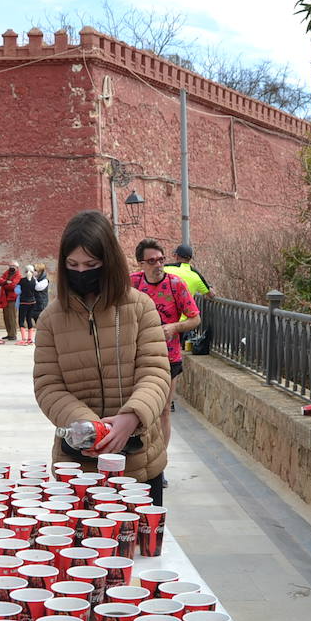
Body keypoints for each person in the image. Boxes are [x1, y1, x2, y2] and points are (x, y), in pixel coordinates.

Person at [33, 211, 171, 503]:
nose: (82, 272)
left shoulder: (139, 307)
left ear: (108, 262)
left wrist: (132, 417)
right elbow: (48, 385)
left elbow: (156, 372)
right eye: (73, 265)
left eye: (91, 265)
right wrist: (90, 428)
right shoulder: (51, 319)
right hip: (77, 464)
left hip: (138, 462)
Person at [130, 238, 199, 462]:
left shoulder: (176, 284)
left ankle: (159, 462)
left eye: (161, 259)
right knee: (137, 409)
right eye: (152, 261)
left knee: (163, 410)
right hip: (137, 357)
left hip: (169, 357)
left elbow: (195, 318)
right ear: (141, 263)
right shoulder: (132, 284)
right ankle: (139, 458)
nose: (158, 265)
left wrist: (174, 327)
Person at [0, 261, 21, 341]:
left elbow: (13, 286)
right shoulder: (7, 273)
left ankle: (13, 334)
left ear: (17, 267)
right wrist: (6, 282)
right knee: (6, 317)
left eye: (13, 266)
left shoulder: (18, 275)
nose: (11, 267)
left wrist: (4, 284)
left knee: (12, 317)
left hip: (13, 299)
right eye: (10, 265)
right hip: (5, 298)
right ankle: (9, 333)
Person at [17, 265, 38, 345]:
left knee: (21, 320)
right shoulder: (34, 281)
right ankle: (30, 338)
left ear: (25, 272)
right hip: (32, 302)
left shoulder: (22, 280)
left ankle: (24, 339)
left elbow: (17, 291)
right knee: (29, 319)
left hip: (24, 302)